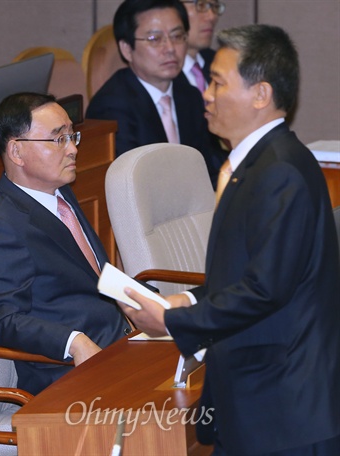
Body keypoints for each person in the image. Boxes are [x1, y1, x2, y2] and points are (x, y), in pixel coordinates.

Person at [118, 24, 340, 455]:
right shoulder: (256, 164)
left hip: (285, 410)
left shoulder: (279, 173)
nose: (206, 93)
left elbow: (265, 290)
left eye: (217, 83)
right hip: (260, 399)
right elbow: (248, 272)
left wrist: (170, 323)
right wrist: (187, 302)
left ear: (260, 94)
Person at [0, 92, 133, 396]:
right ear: (17, 152)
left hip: (117, 344)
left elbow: (90, 275)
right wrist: (73, 342)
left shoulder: (60, 194)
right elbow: (4, 320)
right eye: (58, 140)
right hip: (66, 374)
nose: (72, 149)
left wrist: (148, 304)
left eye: (72, 136)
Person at [86, 0, 225, 189]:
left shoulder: (189, 95)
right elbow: (132, 187)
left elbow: (208, 165)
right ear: (127, 49)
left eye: (177, 36)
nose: (170, 48)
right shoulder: (112, 108)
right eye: (154, 39)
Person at [179, 0, 226, 93]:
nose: (212, 17)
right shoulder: (157, 73)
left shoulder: (221, 63)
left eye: (215, 7)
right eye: (201, 5)